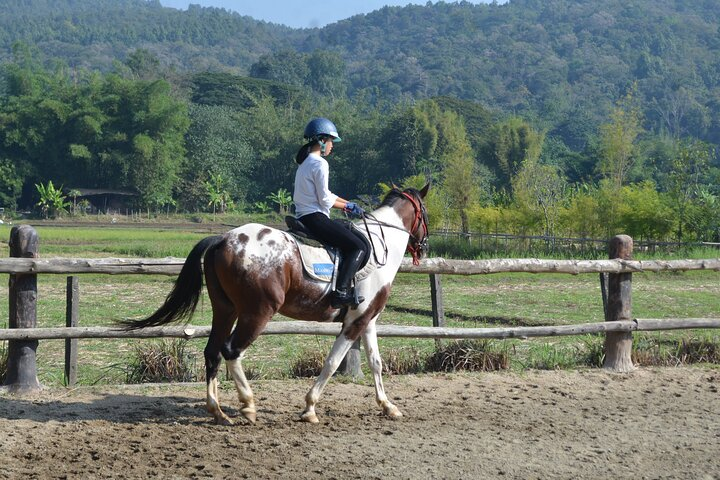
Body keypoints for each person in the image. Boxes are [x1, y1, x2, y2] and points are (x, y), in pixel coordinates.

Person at [293, 117, 368, 308]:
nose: (332, 145)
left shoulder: (305, 163)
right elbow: (325, 199)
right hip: (316, 218)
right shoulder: (320, 164)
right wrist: (347, 207)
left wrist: (349, 203)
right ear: (321, 140)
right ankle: (341, 293)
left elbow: (326, 194)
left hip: (304, 216)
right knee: (358, 247)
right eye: (331, 141)